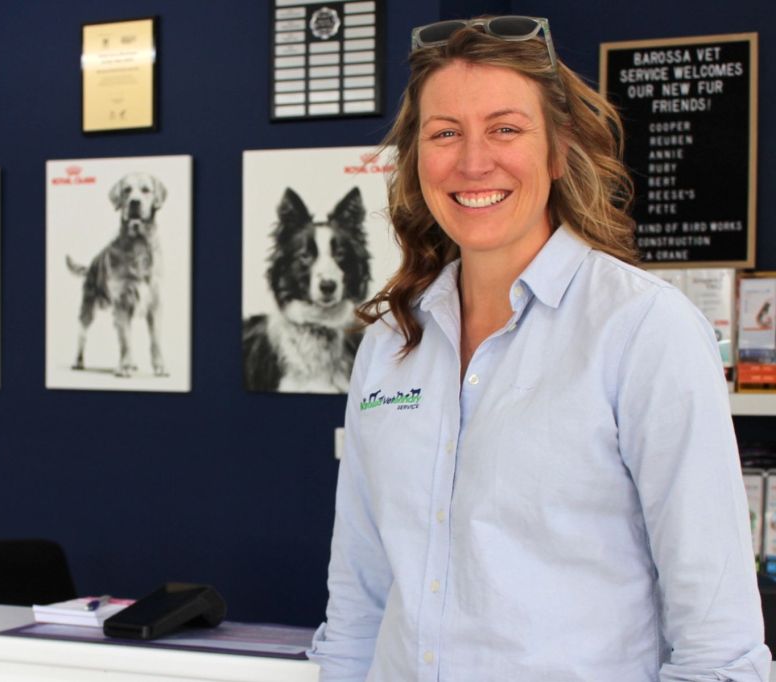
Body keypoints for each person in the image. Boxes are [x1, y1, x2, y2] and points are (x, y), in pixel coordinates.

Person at [308, 15, 771, 682]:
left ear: (557, 153)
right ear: (417, 161)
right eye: (445, 134)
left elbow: (718, 640)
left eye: (505, 129)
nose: (473, 162)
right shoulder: (390, 345)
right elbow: (359, 598)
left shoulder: (643, 331)